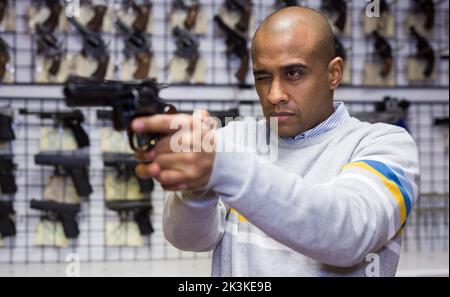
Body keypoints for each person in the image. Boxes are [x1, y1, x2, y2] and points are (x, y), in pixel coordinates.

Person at [131, 6, 419, 276]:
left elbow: (350, 235)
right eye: (263, 77)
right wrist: (196, 193)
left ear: (334, 73)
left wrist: (222, 168)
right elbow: (189, 241)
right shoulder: (232, 138)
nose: (273, 95)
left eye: (293, 73)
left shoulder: (386, 144)